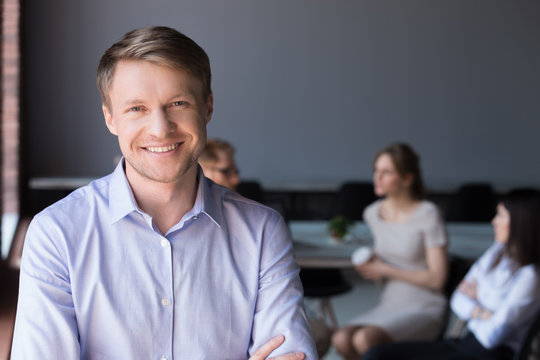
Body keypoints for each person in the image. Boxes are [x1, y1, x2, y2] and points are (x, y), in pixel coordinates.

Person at [11, 26, 316, 359]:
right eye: (136, 108)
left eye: (178, 103)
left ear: (208, 107)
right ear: (110, 118)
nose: (160, 128)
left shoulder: (262, 231)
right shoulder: (57, 234)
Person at [364, 188, 540, 360]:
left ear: (520, 222)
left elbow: (493, 336)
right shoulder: (497, 253)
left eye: (501, 215)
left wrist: (476, 305)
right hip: (465, 342)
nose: (494, 221)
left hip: (488, 353)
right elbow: (458, 298)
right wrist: (486, 313)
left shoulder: (530, 276)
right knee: (376, 354)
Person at [331, 143, 448, 359]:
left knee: (364, 339)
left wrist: (386, 269)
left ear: (407, 179)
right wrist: (373, 265)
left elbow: (437, 279)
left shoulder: (428, 214)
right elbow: (388, 258)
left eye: (386, 172)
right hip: (391, 301)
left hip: (424, 306)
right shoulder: (372, 213)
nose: (378, 177)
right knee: (340, 338)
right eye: (376, 170)